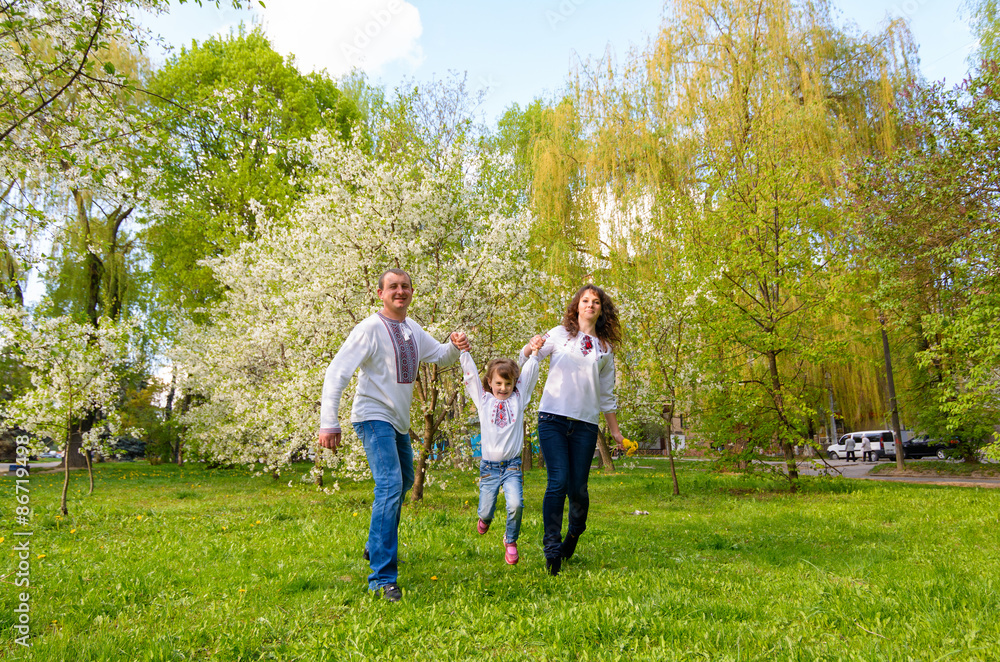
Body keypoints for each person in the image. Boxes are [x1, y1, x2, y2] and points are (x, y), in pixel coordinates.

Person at [317, 268, 469, 602]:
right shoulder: (369, 328)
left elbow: (440, 355)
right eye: (393, 287)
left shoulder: (412, 329)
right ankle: (382, 578)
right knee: (389, 484)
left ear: (412, 292)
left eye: (405, 287)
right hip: (373, 416)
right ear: (380, 293)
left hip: (398, 422)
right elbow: (337, 371)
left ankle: (374, 545)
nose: (400, 292)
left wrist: (456, 347)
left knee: (401, 483)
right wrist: (328, 421)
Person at [522, 284, 625, 576]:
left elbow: (606, 395)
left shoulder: (605, 349)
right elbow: (530, 356)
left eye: (595, 302)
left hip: (585, 424)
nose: (590, 305)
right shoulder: (559, 334)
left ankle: (573, 534)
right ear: (576, 307)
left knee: (578, 489)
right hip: (552, 418)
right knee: (558, 481)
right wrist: (532, 345)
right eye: (585, 300)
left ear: (601, 310)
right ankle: (551, 547)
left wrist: (615, 431)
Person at [460, 339, 543, 565]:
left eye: (508, 383)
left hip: (512, 466)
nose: (503, 388)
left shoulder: (519, 399)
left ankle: (511, 540)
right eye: (498, 383)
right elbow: (470, 379)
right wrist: (464, 353)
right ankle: (484, 518)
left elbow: (529, 375)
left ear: (514, 384)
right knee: (486, 510)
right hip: (489, 467)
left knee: (516, 504)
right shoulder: (483, 401)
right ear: (490, 382)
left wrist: (534, 354)